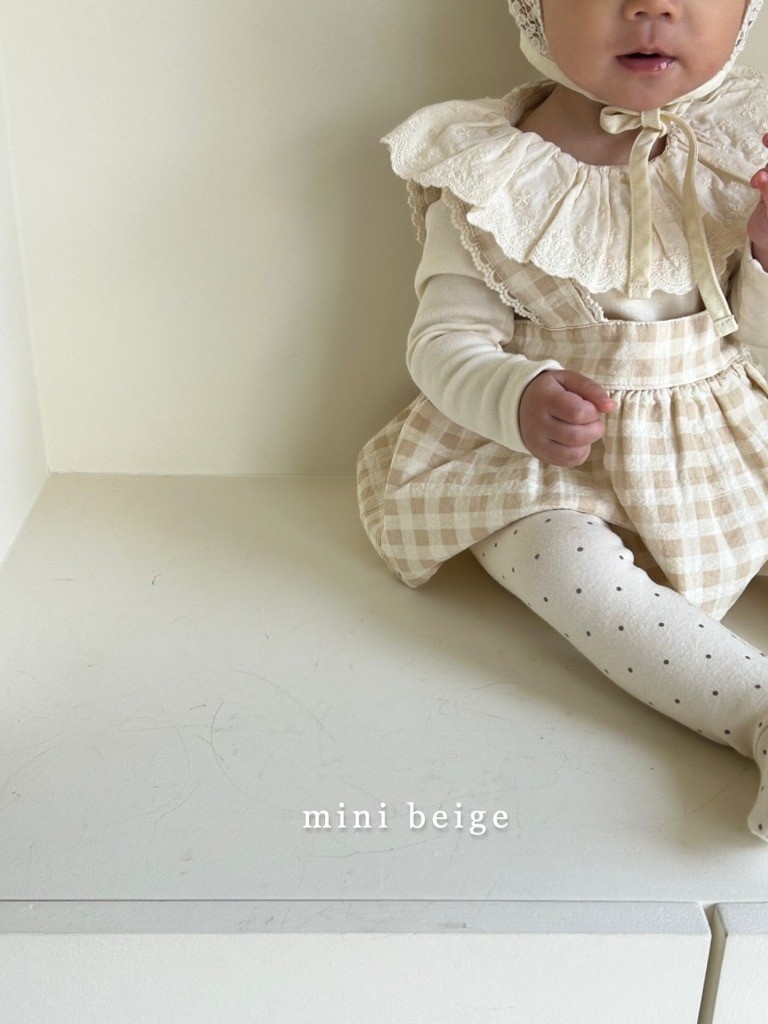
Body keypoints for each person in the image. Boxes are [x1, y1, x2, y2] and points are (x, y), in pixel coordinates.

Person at [357, 0, 768, 841]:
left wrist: (764, 259)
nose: (653, 7)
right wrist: (515, 396)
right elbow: (442, 343)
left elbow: (756, 346)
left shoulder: (740, 150)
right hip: (555, 464)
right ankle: (751, 709)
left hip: (721, 425)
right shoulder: (491, 171)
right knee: (557, 559)